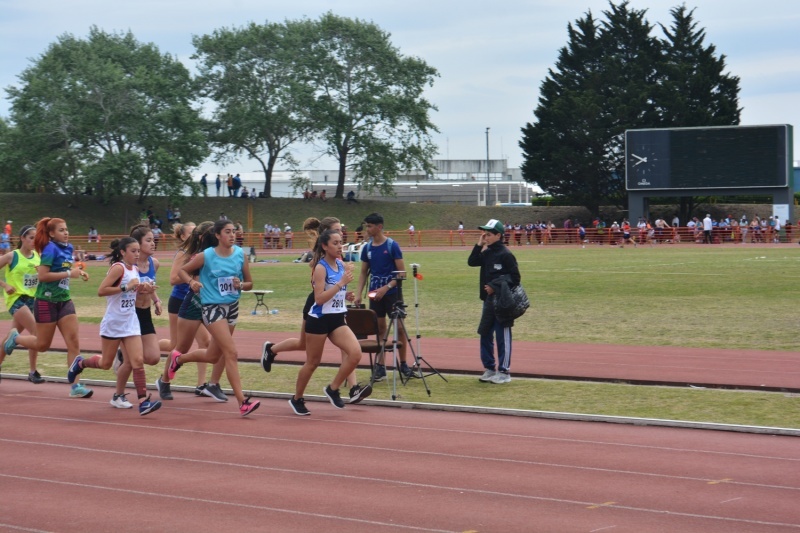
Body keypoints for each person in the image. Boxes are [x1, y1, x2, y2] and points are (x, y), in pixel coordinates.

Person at [261, 217, 369, 403]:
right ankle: (272, 352)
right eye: (336, 235)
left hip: (335, 310)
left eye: (341, 238)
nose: (341, 239)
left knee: (351, 351)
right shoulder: (320, 262)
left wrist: (345, 293)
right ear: (325, 240)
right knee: (309, 353)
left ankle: (346, 388)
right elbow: (320, 294)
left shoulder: (339, 260)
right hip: (317, 308)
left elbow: (337, 285)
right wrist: (340, 285)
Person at [166, 219, 260, 416]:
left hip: (232, 307)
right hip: (212, 307)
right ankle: (243, 402)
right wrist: (191, 282)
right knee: (231, 353)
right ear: (217, 235)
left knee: (212, 355)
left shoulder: (240, 255)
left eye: (234, 231)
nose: (232, 235)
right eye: (227, 231)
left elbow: (250, 283)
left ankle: (180, 359)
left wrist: (240, 285)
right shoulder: (206, 255)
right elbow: (182, 272)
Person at [68, 237, 161, 415]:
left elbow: (132, 288)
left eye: (138, 251)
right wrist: (126, 287)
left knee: (137, 361)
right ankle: (81, 363)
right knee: (105, 363)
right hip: (113, 323)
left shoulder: (134, 269)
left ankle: (143, 402)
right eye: (133, 251)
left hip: (130, 321)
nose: (137, 254)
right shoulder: (118, 268)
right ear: (122, 252)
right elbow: (101, 291)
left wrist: (144, 289)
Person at [2, 217, 91, 397]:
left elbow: (66, 268)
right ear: (51, 233)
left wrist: (78, 271)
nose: (66, 232)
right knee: (42, 344)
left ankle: (75, 386)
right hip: (45, 301)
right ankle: (16, 338)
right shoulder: (49, 249)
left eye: (67, 229)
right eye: (61, 230)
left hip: (64, 300)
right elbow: (43, 276)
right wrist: (68, 273)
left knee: (73, 342)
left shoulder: (69, 247)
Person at [288, 229, 370, 415]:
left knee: (355, 353)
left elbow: (336, 294)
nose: (340, 246)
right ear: (325, 246)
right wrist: (340, 284)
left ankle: (333, 389)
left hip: (337, 318)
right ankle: (297, 398)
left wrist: (345, 295)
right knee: (313, 362)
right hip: (319, 320)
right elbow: (319, 299)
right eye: (335, 243)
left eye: (341, 242)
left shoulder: (341, 265)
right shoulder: (320, 268)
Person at [156, 221, 226, 402]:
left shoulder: (213, 253)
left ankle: (206, 384)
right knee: (178, 346)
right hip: (183, 301)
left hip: (208, 303)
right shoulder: (186, 254)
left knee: (212, 342)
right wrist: (191, 277)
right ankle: (163, 379)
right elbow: (174, 278)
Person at [354, 212, 414, 380]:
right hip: (375, 295)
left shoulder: (392, 246)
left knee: (399, 328)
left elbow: (402, 274)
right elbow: (363, 273)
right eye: (366, 226)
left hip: (392, 294)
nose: (367, 229)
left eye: (370, 226)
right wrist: (359, 293)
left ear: (379, 227)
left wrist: (386, 288)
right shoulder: (367, 248)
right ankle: (380, 366)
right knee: (380, 329)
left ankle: (403, 364)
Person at [112, 225, 163, 405]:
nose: (153, 243)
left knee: (153, 357)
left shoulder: (154, 263)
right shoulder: (128, 267)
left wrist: (156, 300)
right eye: (148, 240)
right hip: (129, 314)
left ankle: (120, 355)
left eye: (153, 239)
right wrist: (137, 288)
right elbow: (122, 289)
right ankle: (118, 395)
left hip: (145, 313)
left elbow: (150, 284)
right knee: (133, 361)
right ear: (138, 245)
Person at [467, 219, 521, 384]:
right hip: (488, 302)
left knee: (502, 335)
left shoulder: (506, 254)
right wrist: (479, 245)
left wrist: (494, 286)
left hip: (503, 302)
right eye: (484, 234)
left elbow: (515, 278)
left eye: (489, 234)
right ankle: (489, 368)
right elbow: (472, 262)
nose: (486, 237)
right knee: (485, 333)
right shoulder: (487, 252)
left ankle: (504, 372)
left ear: (499, 235)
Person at [0, 225, 44, 383]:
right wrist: (5, 285)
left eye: (36, 238)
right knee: (36, 331)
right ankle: (33, 372)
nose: (34, 241)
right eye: (31, 238)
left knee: (10, 336)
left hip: (32, 300)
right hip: (16, 299)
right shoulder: (12, 256)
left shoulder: (38, 257)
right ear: (22, 239)